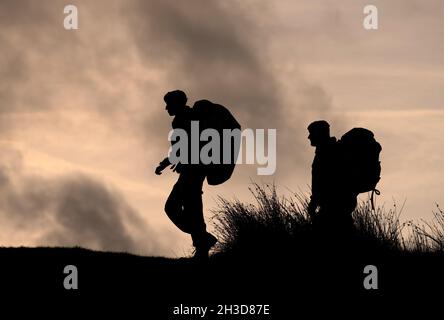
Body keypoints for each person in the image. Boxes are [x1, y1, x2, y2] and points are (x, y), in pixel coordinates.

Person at [155, 90, 217, 260]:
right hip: (195, 170)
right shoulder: (187, 117)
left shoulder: (183, 120)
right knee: (193, 209)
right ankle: (202, 249)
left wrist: (169, 162)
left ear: (177, 104)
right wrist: (166, 162)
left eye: (168, 104)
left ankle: (203, 241)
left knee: (175, 208)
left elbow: (188, 145)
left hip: (193, 171)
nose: (166, 108)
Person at [307, 120, 357, 239]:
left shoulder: (326, 154)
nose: (309, 137)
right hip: (343, 205)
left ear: (320, 134)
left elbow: (322, 181)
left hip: (333, 207)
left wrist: (313, 203)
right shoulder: (335, 150)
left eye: (311, 133)